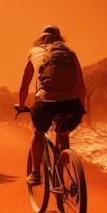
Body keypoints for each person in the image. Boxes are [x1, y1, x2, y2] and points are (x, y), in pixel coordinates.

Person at [17, 24, 86, 185]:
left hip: (45, 104)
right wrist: (81, 108)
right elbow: (82, 86)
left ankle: (35, 173)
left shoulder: (34, 52)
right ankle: (61, 172)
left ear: (41, 37)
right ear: (60, 37)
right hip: (71, 104)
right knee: (63, 133)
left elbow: (24, 85)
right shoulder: (69, 52)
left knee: (39, 132)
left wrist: (21, 106)